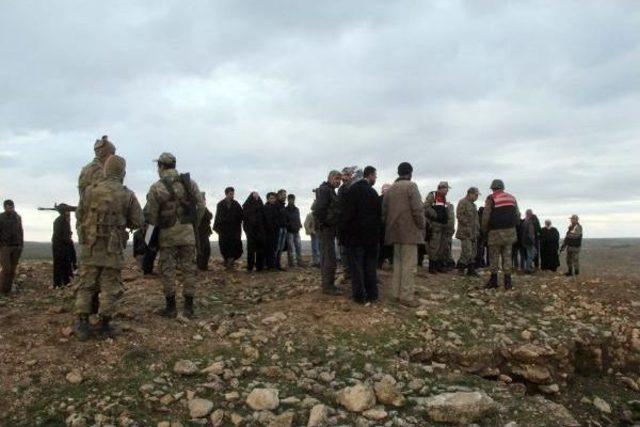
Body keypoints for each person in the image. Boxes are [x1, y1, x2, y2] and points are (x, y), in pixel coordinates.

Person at [74, 155, 143, 340]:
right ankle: (104, 325)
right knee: (109, 286)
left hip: (90, 245)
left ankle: (82, 323)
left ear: (105, 170)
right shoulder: (127, 194)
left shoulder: (90, 190)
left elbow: (80, 214)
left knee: (86, 285)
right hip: (112, 249)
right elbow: (139, 221)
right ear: (122, 172)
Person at [145, 152, 205, 319]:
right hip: (188, 234)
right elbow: (201, 206)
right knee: (189, 269)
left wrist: (148, 238)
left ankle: (171, 307)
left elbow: (151, 216)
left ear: (161, 166)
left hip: (167, 235)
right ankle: (189, 307)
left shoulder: (156, 187)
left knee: (168, 270)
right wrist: (193, 225)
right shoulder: (189, 183)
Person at [77, 136, 116, 313]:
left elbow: (82, 200)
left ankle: (87, 309)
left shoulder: (86, 169)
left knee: (89, 270)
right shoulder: (102, 172)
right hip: (100, 226)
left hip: (87, 225)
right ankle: (95, 307)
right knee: (100, 271)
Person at [382, 162, 425, 307]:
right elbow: (418, 209)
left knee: (398, 264)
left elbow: (384, 211)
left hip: (394, 232)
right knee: (408, 265)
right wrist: (421, 225)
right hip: (409, 232)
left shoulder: (391, 189)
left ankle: (396, 293)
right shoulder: (411, 186)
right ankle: (406, 296)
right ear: (410, 173)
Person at [341, 166, 381, 304]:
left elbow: (346, 217)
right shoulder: (373, 192)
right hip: (371, 238)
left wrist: (343, 237)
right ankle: (373, 295)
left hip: (355, 238)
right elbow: (379, 216)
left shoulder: (351, 192)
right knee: (370, 267)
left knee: (357, 268)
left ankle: (359, 296)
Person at [481, 179, 520, 290]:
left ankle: (493, 281)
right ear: (503, 187)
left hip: (495, 233)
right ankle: (508, 282)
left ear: (493, 188)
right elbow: (517, 214)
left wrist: (484, 230)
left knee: (494, 257)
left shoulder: (491, 198)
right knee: (507, 256)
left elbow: (486, 216)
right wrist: (513, 226)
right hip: (510, 232)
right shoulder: (512, 198)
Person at [313, 170, 342, 294]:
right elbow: (319, 210)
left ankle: (329, 284)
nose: (338, 181)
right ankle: (328, 286)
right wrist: (326, 223)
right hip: (326, 230)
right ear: (330, 178)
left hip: (329, 229)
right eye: (336, 178)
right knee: (329, 257)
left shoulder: (329, 190)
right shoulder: (325, 190)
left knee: (329, 257)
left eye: (339, 179)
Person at [213, 187, 244, 270]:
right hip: (224, 231)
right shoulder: (220, 204)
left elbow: (241, 215)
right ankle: (228, 263)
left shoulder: (236, 204)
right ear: (226, 194)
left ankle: (230, 263)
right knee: (224, 247)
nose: (232, 195)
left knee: (235, 247)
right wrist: (220, 228)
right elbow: (218, 217)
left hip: (234, 231)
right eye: (230, 194)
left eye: (233, 194)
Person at [425, 181, 451, 273]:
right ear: (441, 188)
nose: (447, 191)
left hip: (443, 225)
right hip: (435, 225)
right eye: (446, 189)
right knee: (434, 246)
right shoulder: (433, 195)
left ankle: (438, 265)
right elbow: (426, 207)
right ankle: (432, 267)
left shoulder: (443, 198)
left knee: (442, 246)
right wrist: (435, 215)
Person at [0, 200, 23, 296]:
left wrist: (21, 244)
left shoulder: (17, 217)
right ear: (5, 207)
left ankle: (7, 290)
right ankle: (1, 289)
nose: (11, 208)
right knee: (6, 269)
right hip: (5, 246)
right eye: (8, 206)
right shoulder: (1, 217)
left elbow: (20, 230)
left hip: (16, 246)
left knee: (12, 270)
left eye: (12, 206)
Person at [456, 187, 480, 276]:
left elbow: (476, 220)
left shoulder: (473, 205)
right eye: (476, 195)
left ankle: (471, 270)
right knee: (467, 251)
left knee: (473, 252)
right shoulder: (463, 202)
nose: (477, 197)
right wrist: (468, 225)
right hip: (465, 232)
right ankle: (461, 268)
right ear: (470, 194)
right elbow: (459, 215)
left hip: (473, 233)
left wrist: (477, 229)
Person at [52, 204, 77, 287]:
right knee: (63, 264)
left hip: (59, 246)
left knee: (61, 265)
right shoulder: (61, 221)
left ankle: (61, 282)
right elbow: (63, 236)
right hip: (61, 247)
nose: (69, 212)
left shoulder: (60, 220)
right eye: (67, 211)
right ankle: (62, 283)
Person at [243, 192, 267, 272]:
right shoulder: (247, 206)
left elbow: (264, 219)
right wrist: (247, 231)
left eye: (257, 196)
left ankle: (259, 267)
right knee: (251, 251)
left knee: (260, 250)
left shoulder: (261, 206)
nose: (256, 198)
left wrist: (263, 230)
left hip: (260, 232)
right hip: (251, 232)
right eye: (254, 197)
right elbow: (245, 220)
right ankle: (250, 267)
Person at [378, 184, 394, 269]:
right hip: (381, 227)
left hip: (391, 226)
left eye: (388, 189)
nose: (386, 191)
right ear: (382, 190)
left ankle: (391, 262)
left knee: (390, 246)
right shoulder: (378, 199)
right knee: (381, 245)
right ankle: (380, 262)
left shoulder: (394, 200)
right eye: (385, 189)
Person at [263, 192, 280, 270]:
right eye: (271, 198)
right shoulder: (265, 207)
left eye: (274, 198)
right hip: (267, 232)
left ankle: (272, 265)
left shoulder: (276, 207)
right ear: (268, 199)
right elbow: (266, 220)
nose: (273, 200)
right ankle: (268, 265)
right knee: (268, 248)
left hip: (275, 231)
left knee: (274, 248)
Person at [285, 194, 303, 268]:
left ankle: (299, 262)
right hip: (289, 231)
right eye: (290, 199)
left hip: (296, 230)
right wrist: (289, 225)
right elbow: (285, 220)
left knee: (298, 247)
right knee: (290, 248)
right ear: (288, 200)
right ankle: (291, 263)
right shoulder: (285, 209)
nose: (292, 200)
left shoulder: (296, 209)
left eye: (293, 199)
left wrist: (299, 225)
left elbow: (298, 218)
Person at [196, 193, 213, 271]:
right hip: (200, 232)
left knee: (206, 249)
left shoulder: (203, 208)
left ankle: (204, 266)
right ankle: (201, 266)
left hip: (205, 232)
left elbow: (210, 216)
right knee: (202, 249)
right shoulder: (198, 209)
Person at [304, 193, 320, 267]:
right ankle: (316, 261)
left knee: (319, 248)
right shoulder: (310, 215)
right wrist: (311, 231)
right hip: (314, 233)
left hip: (320, 232)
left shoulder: (320, 214)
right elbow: (306, 224)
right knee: (315, 248)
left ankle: (319, 261)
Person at [275, 189, 288, 271]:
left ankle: (278, 264)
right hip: (278, 228)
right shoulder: (276, 205)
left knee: (281, 247)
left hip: (284, 228)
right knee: (277, 247)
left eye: (285, 195)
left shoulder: (283, 205)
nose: (285, 196)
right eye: (283, 195)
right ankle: (274, 264)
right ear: (279, 195)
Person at [521, 209, 537, 274]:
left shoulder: (524, 221)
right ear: (530, 214)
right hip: (529, 241)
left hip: (524, 240)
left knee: (531, 253)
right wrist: (533, 240)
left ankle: (528, 267)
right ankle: (528, 268)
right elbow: (531, 233)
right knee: (531, 254)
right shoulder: (529, 222)